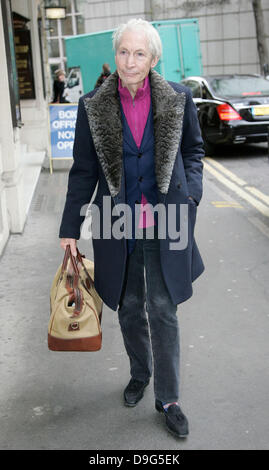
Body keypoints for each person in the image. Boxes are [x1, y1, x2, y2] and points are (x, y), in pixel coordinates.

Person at [59, 18, 204, 438]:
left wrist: (190, 193)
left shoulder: (178, 98)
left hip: (167, 222)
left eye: (139, 53)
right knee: (127, 308)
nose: (130, 60)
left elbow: (194, 151)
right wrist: (70, 227)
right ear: (115, 55)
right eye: (124, 51)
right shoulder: (93, 106)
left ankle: (169, 397)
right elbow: (83, 171)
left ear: (154, 58)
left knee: (163, 308)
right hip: (114, 223)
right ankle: (140, 374)